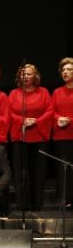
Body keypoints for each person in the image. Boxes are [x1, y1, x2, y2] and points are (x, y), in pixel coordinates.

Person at [8, 63, 53, 211]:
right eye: (23, 74)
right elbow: (9, 113)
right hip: (21, 136)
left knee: (38, 172)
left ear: (35, 76)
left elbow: (49, 110)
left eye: (29, 74)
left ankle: (37, 204)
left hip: (38, 137)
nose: (26, 76)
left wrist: (36, 121)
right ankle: (22, 204)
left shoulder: (44, 92)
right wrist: (22, 120)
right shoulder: (14, 94)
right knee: (20, 172)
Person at [52, 57, 73, 207]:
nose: (65, 72)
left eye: (69, 70)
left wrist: (70, 120)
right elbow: (51, 111)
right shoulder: (58, 92)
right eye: (63, 70)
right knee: (63, 168)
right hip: (62, 134)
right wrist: (59, 118)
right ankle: (64, 199)